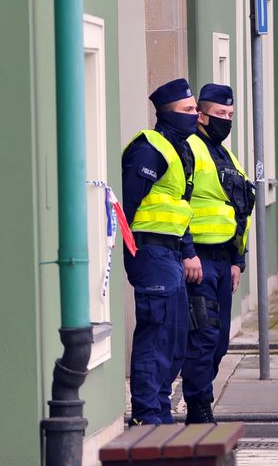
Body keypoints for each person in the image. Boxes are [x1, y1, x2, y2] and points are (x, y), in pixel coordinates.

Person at [121, 78, 203, 425]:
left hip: (169, 254)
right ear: (170, 114)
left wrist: (187, 251)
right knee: (156, 335)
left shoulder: (180, 149)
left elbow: (178, 207)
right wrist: (133, 255)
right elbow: (128, 204)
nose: (196, 115)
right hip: (150, 252)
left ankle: (160, 408)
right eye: (189, 110)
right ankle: (146, 414)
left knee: (173, 336)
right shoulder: (149, 148)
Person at [181, 83, 254, 424]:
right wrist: (187, 252)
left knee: (221, 340)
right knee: (204, 336)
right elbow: (178, 204)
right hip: (199, 261)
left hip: (224, 261)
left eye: (230, 115)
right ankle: (198, 407)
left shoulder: (227, 155)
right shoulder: (190, 148)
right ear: (201, 115)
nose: (226, 120)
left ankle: (199, 397)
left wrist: (238, 260)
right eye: (220, 114)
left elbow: (239, 210)